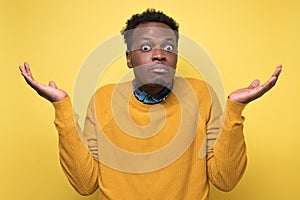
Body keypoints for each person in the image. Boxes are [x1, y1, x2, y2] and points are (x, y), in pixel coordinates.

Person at [19, 8, 282, 200]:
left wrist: (236, 109)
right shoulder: (102, 100)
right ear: (129, 59)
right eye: (145, 48)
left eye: (168, 47)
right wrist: (62, 108)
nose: (158, 54)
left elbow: (225, 180)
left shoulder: (201, 93)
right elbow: (85, 184)